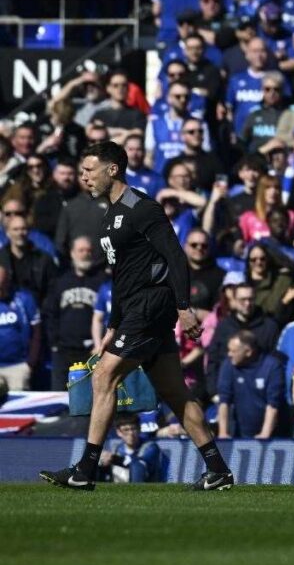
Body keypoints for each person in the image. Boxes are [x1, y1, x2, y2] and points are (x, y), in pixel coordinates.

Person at [40, 141, 233, 491]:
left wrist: (183, 307)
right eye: (82, 171)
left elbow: (176, 256)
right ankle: (218, 469)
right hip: (133, 308)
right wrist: (113, 324)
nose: (84, 177)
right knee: (175, 391)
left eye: (89, 170)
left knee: (104, 376)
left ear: (112, 169)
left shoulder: (142, 208)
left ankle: (85, 470)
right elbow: (121, 276)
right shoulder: (109, 214)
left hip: (151, 304)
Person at [44, 236, 106, 390]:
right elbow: (50, 313)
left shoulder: (102, 282)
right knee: (59, 399)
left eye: (89, 251)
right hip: (64, 351)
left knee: (93, 398)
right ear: (72, 253)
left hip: (92, 351)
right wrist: (54, 344)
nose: (85, 254)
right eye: (81, 250)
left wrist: (101, 344)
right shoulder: (60, 281)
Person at [217, 330, 286, 439]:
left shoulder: (272, 366)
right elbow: (224, 401)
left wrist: (265, 435)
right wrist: (223, 433)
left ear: (248, 352)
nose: (229, 354)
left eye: (233, 351)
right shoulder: (229, 365)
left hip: (270, 433)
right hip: (238, 432)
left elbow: (273, 404)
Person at [0, 265, 41, 391]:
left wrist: (30, 363)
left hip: (18, 366)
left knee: (19, 407)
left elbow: (36, 331)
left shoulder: (23, 299)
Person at [98, 413, 165, 483]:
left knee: (137, 466)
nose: (131, 433)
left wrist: (115, 459)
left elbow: (138, 463)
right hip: (121, 484)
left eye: (133, 429)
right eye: (126, 430)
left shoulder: (151, 447)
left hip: (146, 485)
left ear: (139, 429)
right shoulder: (118, 448)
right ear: (119, 432)